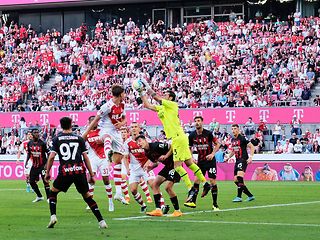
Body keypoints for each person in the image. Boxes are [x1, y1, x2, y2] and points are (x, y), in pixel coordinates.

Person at [138, 82, 211, 201]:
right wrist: (141, 93)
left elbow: (156, 97)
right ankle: (205, 183)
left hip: (177, 137)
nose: (164, 95)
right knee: (189, 163)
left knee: (177, 166)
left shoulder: (172, 105)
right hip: (179, 137)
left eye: (166, 94)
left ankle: (190, 188)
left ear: (171, 97)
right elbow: (147, 105)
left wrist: (146, 86)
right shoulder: (162, 108)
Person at [45, 117, 107, 229]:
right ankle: (101, 221)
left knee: (53, 192)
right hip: (79, 171)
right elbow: (86, 157)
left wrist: (47, 172)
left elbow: (51, 157)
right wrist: (92, 175)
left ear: (61, 125)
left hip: (65, 171)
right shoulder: (79, 138)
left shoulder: (56, 139)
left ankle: (53, 216)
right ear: (71, 125)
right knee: (87, 196)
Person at [84, 85, 127, 204]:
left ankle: (118, 193)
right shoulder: (107, 106)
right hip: (105, 130)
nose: (125, 95)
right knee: (106, 138)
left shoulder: (123, 105)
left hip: (116, 133)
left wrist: (121, 124)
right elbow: (95, 120)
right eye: (124, 93)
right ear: (120, 94)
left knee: (118, 161)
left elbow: (125, 119)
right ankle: (108, 153)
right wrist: (85, 134)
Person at [136, 135, 182, 217]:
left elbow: (172, 147)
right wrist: (151, 167)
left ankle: (177, 211)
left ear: (145, 140)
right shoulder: (147, 153)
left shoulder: (156, 145)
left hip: (175, 165)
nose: (138, 143)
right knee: (154, 184)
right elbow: (156, 163)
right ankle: (158, 210)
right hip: (167, 166)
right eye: (137, 142)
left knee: (168, 187)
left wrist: (166, 156)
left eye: (140, 141)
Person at [185, 116, 221, 210]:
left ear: (202, 122)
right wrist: (191, 157)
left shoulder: (208, 133)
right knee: (196, 180)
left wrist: (213, 154)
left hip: (210, 161)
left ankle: (215, 204)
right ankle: (193, 202)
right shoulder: (192, 135)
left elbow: (218, 144)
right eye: (195, 121)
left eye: (199, 121)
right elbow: (189, 147)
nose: (197, 123)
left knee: (212, 181)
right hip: (200, 161)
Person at [82, 116, 114, 212]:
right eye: (91, 121)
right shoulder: (86, 133)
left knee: (106, 179)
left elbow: (109, 139)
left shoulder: (102, 131)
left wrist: (103, 141)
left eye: (94, 121)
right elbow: (81, 142)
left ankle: (110, 201)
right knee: (90, 179)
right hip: (92, 158)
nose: (93, 123)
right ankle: (90, 202)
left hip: (103, 158)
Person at [123, 122, 155, 212]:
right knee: (133, 190)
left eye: (135, 127)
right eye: (132, 127)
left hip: (146, 167)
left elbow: (153, 154)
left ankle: (162, 205)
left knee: (153, 185)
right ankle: (143, 205)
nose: (134, 128)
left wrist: (149, 162)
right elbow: (125, 157)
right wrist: (127, 168)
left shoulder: (146, 140)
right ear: (130, 129)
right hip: (134, 169)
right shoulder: (127, 142)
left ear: (139, 128)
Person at [224, 124, 255, 202]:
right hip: (237, 160)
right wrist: (228, 157)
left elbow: (252, 146)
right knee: (236, 180)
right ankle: (250, 195)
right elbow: (234, 150)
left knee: (239, 178)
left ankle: (239, 196)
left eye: (235, 128)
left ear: (238, 129)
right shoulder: (233, 140)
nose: (233, 130)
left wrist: (251, 157)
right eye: (232, 129)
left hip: (243, 159)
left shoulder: (242, 138)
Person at [25, 128, 50, 203]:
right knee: (31, 181)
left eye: (37, 132)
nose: (37, 134)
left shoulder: (42, 143)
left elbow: (48, 153)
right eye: (35, 132)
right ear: (32, 134)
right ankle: (39, 196)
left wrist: (47, 164)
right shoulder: (29, 143)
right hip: (35, 165)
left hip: (42, 165)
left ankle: (49, 198)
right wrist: (26, 161)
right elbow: (29, 153)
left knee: (45, 181)